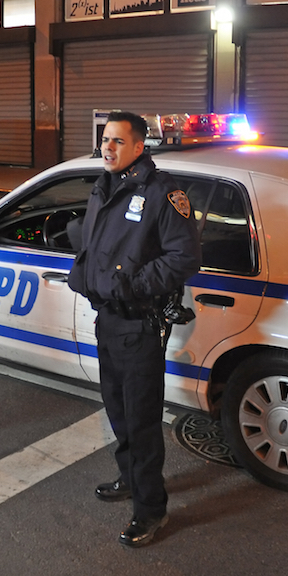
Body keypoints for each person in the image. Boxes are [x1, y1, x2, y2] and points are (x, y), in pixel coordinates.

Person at [68, 111, 201, 547]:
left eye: (118, 142)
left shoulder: (163, 193)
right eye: (105, 140)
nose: (108, 148)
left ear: (140, 146)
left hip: (140, 322)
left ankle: (151, 510)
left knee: (141, 422)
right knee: (118, 411)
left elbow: (184, 258)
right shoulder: (105, 187)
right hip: (108, 318)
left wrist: (132, 284)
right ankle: (129, 478)